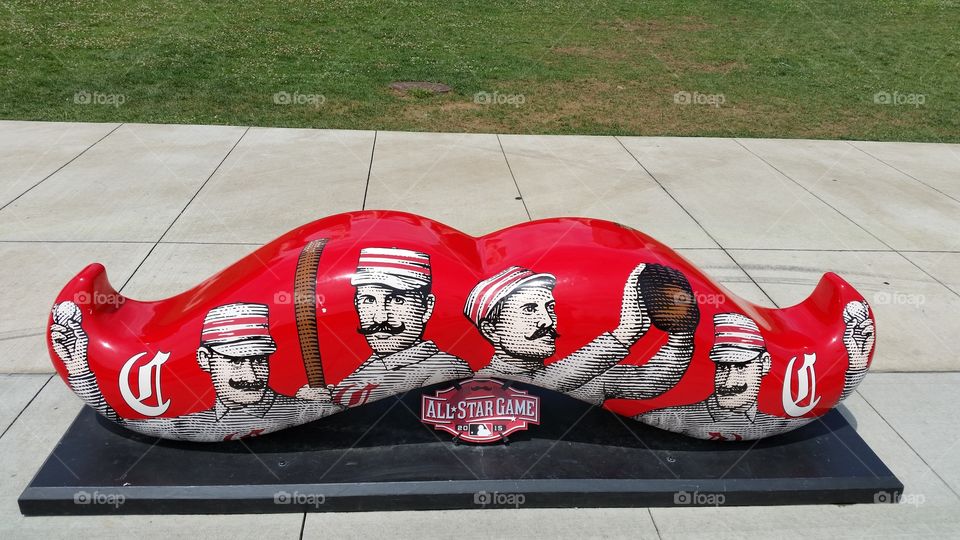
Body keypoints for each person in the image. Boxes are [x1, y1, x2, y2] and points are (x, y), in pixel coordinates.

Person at [51, 301, 342, 442]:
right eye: (236, 361)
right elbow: (124, 415)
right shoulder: (190, 423)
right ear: (205, 359)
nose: (251, 376)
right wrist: (80, 370)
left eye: (258, 360)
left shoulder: (306, 408)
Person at [637, 304, 874, 441]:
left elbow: (820, 397)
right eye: (723, 366)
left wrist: (855, 365)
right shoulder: (668, 416)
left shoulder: (772, 420)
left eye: (741, 366)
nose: (729, 380)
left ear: (764, 364)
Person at [466, 263, 696, 398]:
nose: (547, 320)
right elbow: (543, 381)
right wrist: (625, 333)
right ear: (491, 330)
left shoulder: (586, 377)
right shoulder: (480, 381)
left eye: (549, 308)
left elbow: (650, 381)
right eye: (529, 310)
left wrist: (681, 334)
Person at [318, 247, 472, 407]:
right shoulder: (366, 369)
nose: (380, 317)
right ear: (357, 304)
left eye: (397, 300)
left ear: (427, 307)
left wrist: (324, 408)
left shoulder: (443, 369)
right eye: (369, 300)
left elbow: (397, 420)